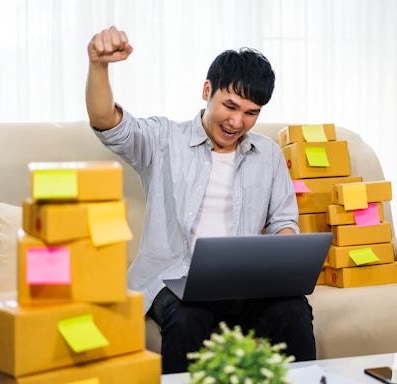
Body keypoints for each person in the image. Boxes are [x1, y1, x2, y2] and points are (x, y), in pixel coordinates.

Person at [86, 26, 316, 373]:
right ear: (207, 90)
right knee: (188, 316)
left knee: (294, 310)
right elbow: (107, 122)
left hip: (243, 285)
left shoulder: (267, 153)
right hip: (174, 280)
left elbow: (284, 220)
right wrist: (98, 66)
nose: (237, 121)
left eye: (251, 112)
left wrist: (283, 267)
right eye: (230, 105)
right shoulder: (164, 139)